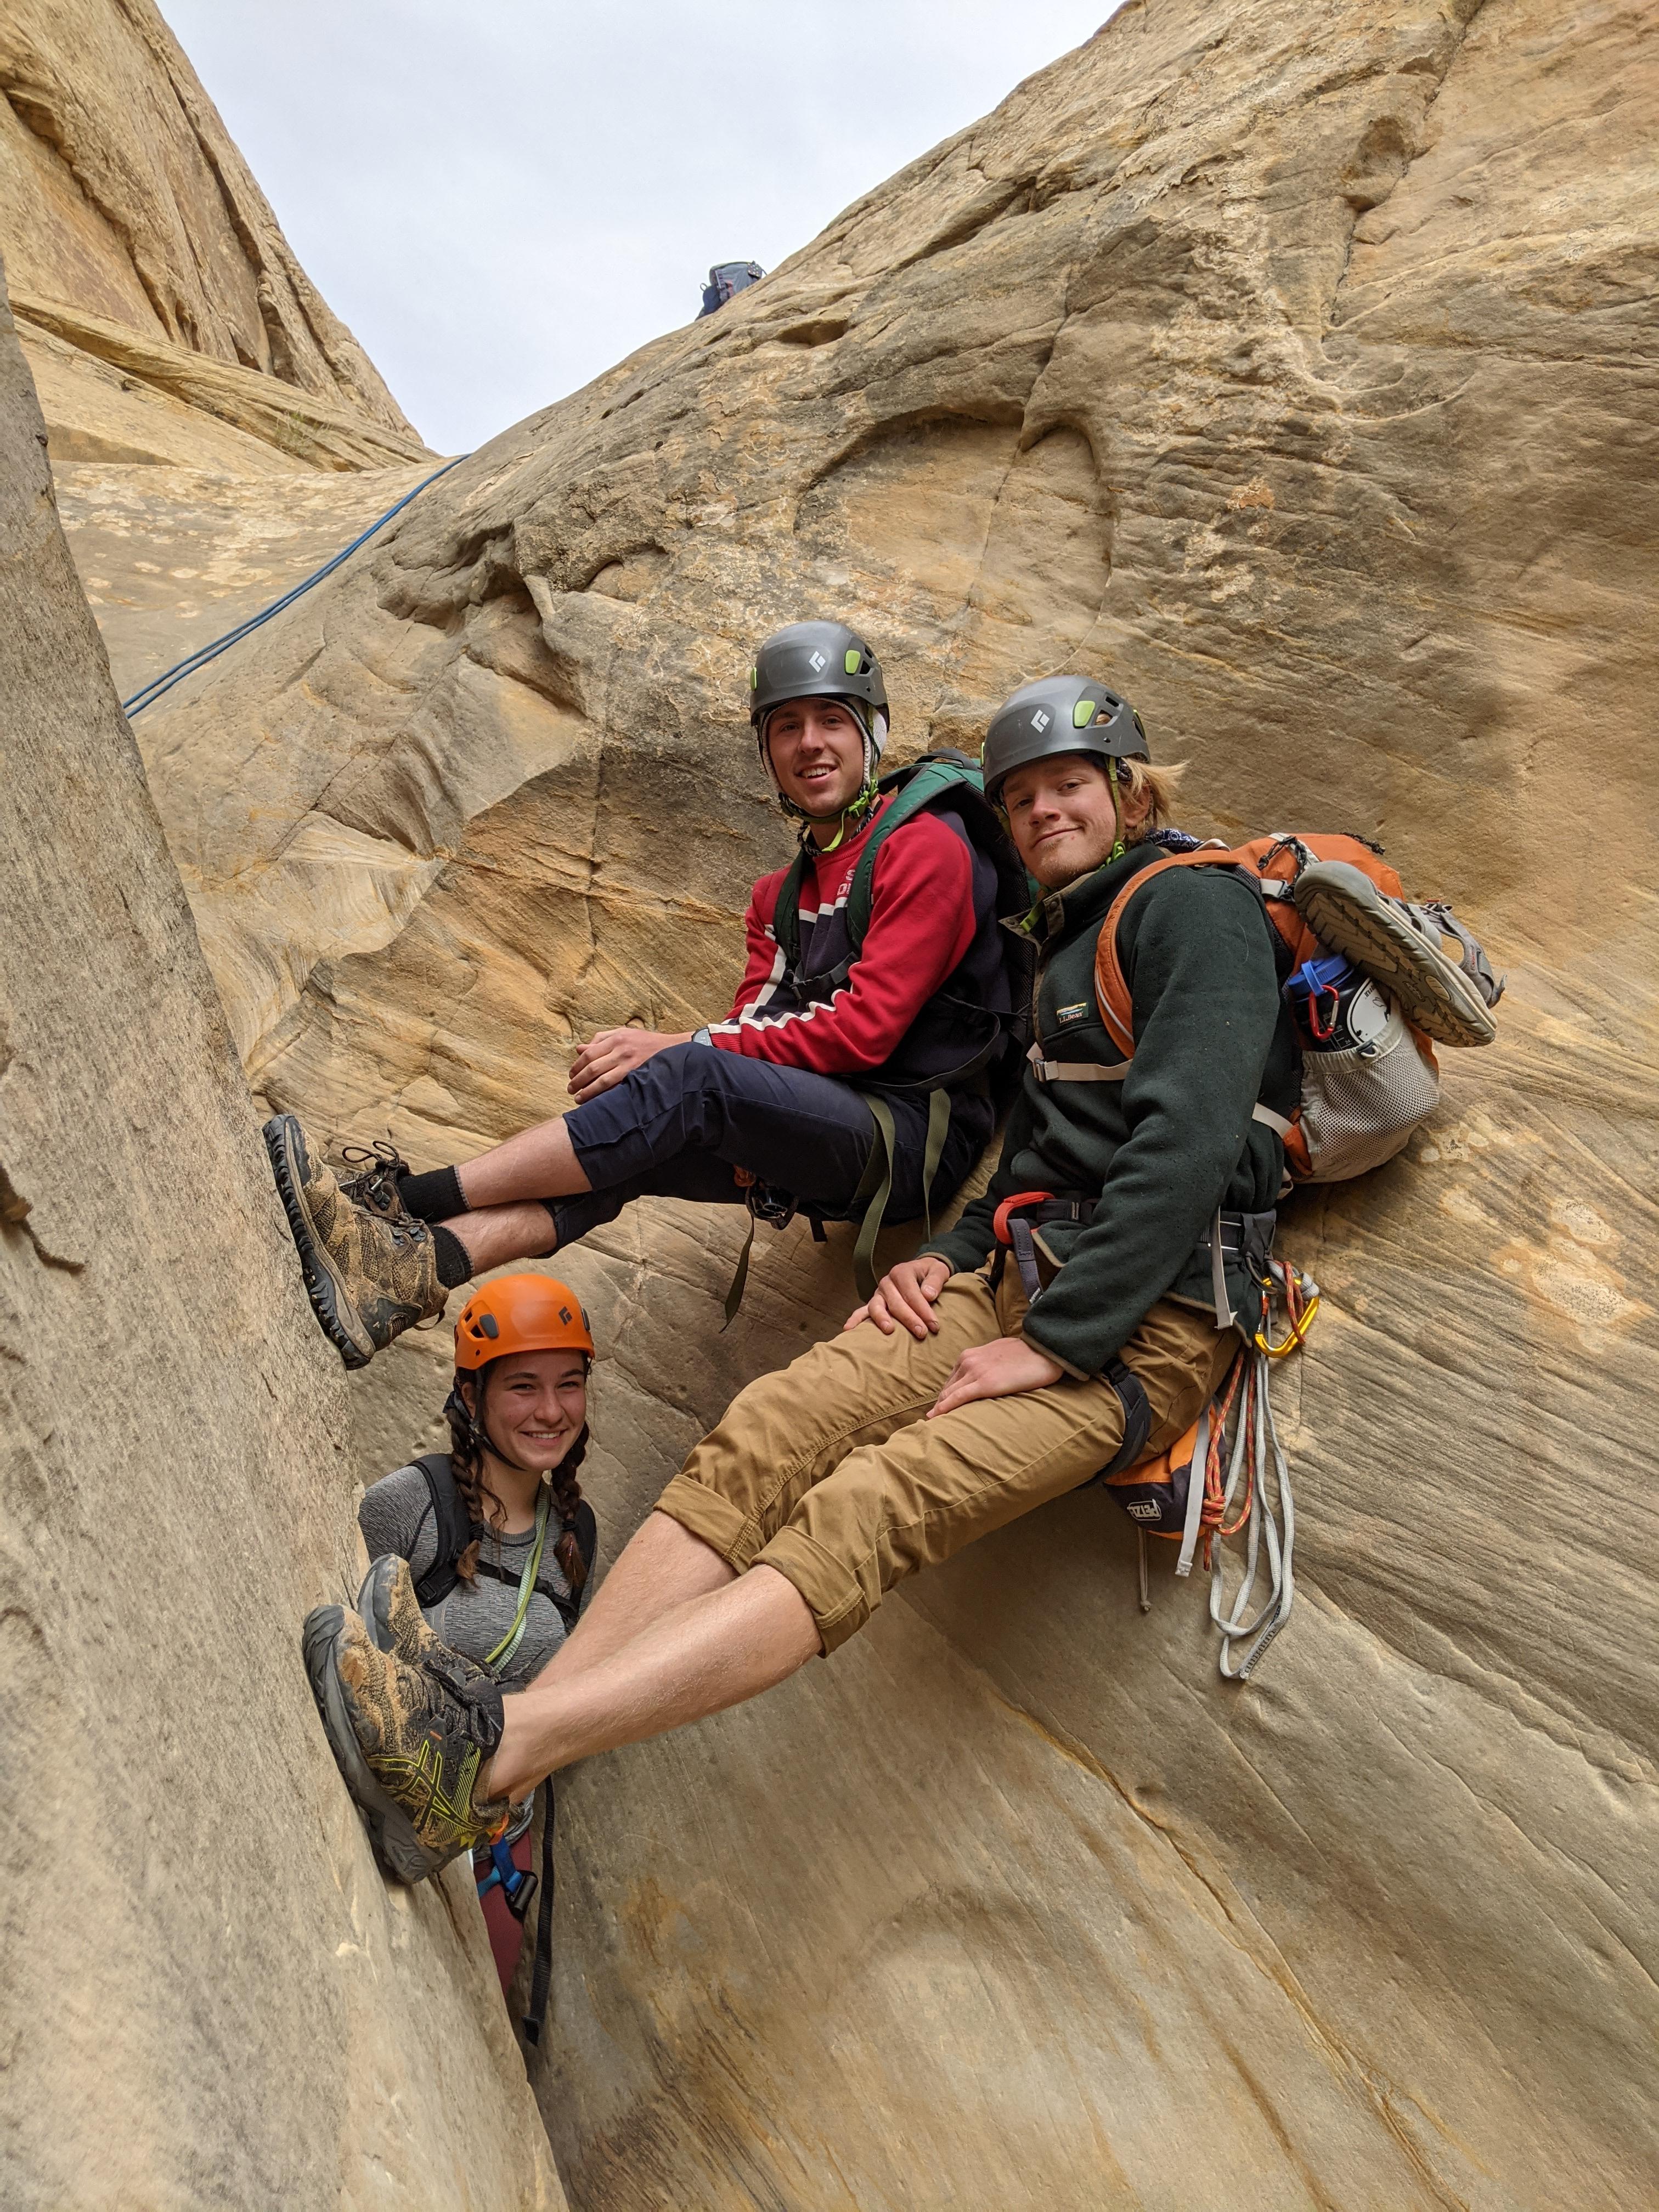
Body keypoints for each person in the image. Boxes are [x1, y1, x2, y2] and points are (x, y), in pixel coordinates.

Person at [303, 670, 1309, 1876]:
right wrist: (946, 1262)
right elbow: (1033, 1160)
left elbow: (1189, 1143)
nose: (1045, 812)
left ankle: (490, 1751)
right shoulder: (1065, 946)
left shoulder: (1192, 909)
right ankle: (491, 1750)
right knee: (768, 1429)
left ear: (1130, 790)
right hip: (1017, 1278)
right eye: (1025, 795)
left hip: (1141, 1333)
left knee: (869, 1509)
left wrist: (1059, 1339)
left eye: (1071, 787)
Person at [264, 620, 1023, 1370]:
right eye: (786, 727)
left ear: (871, 732)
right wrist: (712, 1084)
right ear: (767, 753)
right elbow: (756, 1027)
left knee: (686, 1078)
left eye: (832, 720)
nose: (810, 744)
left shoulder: (925, 843)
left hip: (910, 1141)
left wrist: (679, 1049)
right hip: (823, 1123)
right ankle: (408, 1276)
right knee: (632, 1151)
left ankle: (402, 1205)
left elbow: (863, 1030)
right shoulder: (778, 899)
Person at [334, 1271, 596, 2031]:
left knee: (471, 2033)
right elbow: (350, 1647)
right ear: (471, 1395)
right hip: (388, 1804)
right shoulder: (411, 1504)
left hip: (500, 1857)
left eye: (569, 1384)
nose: (551, 1411)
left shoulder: (576, 1534)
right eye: (523, 1387)